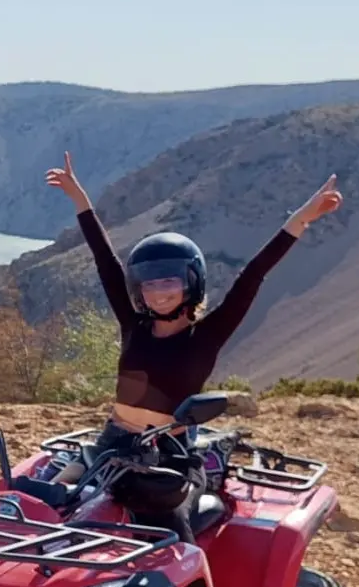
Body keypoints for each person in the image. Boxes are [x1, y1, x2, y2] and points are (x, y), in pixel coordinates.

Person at [45, 151, 343, 537]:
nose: (158, 292)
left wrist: (301, 219)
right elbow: (106, 260)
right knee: (49, 502)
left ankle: (195, 577)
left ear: (191, 282)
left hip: (170, 455)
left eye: (169, 280)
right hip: (113, 442)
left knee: (169, 532)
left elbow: (252, 275)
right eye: (149, 283)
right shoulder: (133, 325)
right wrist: (79, 199)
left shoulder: (206, 336)